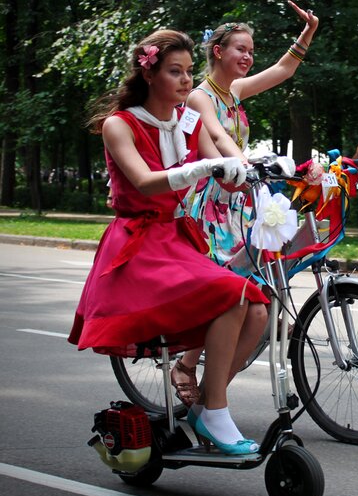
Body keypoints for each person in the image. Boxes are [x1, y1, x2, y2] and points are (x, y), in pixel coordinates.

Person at [69, 30, 269, 455]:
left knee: (256, 310)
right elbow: (144, 181)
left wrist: (241, 173)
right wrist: (205, 168)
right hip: (138, 247)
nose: (185, 81)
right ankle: (215, 410)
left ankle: (209, 406)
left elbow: (219, 161)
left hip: (178, 239)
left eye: (188, 72)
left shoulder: (190, 121)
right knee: (233, 294)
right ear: (150, 75)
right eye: (174, 72)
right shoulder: (118, 125)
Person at [171, 1, 319, 406]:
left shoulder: (234, 90)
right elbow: (218, 138)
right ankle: (186, 363)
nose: (249, 57)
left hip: (242, 197)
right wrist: (246, 161)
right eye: (241, 49)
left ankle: (212, 394)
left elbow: (284, 70)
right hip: (213, 202)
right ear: (218, 51)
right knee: (224, 290)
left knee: (257, 288)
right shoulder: (202, 96)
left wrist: (307, 32)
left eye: (251, 50)